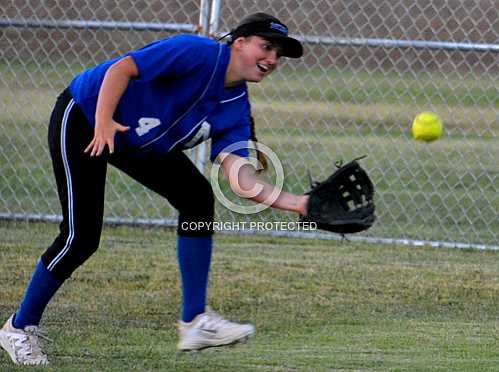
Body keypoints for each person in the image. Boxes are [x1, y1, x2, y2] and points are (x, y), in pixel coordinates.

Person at [0, 12, 308, 365]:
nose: (272, 59)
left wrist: (300, 204)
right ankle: (18, 328)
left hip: (137, 140)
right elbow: (121, 70)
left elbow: (243, 181)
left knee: (196, 197)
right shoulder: (197, 52)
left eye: (278, 54)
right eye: (266, 46)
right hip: (85, 116)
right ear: (239, 42)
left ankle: (195, 321)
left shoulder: (236, 108)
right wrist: (103, 123)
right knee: (81, 236)